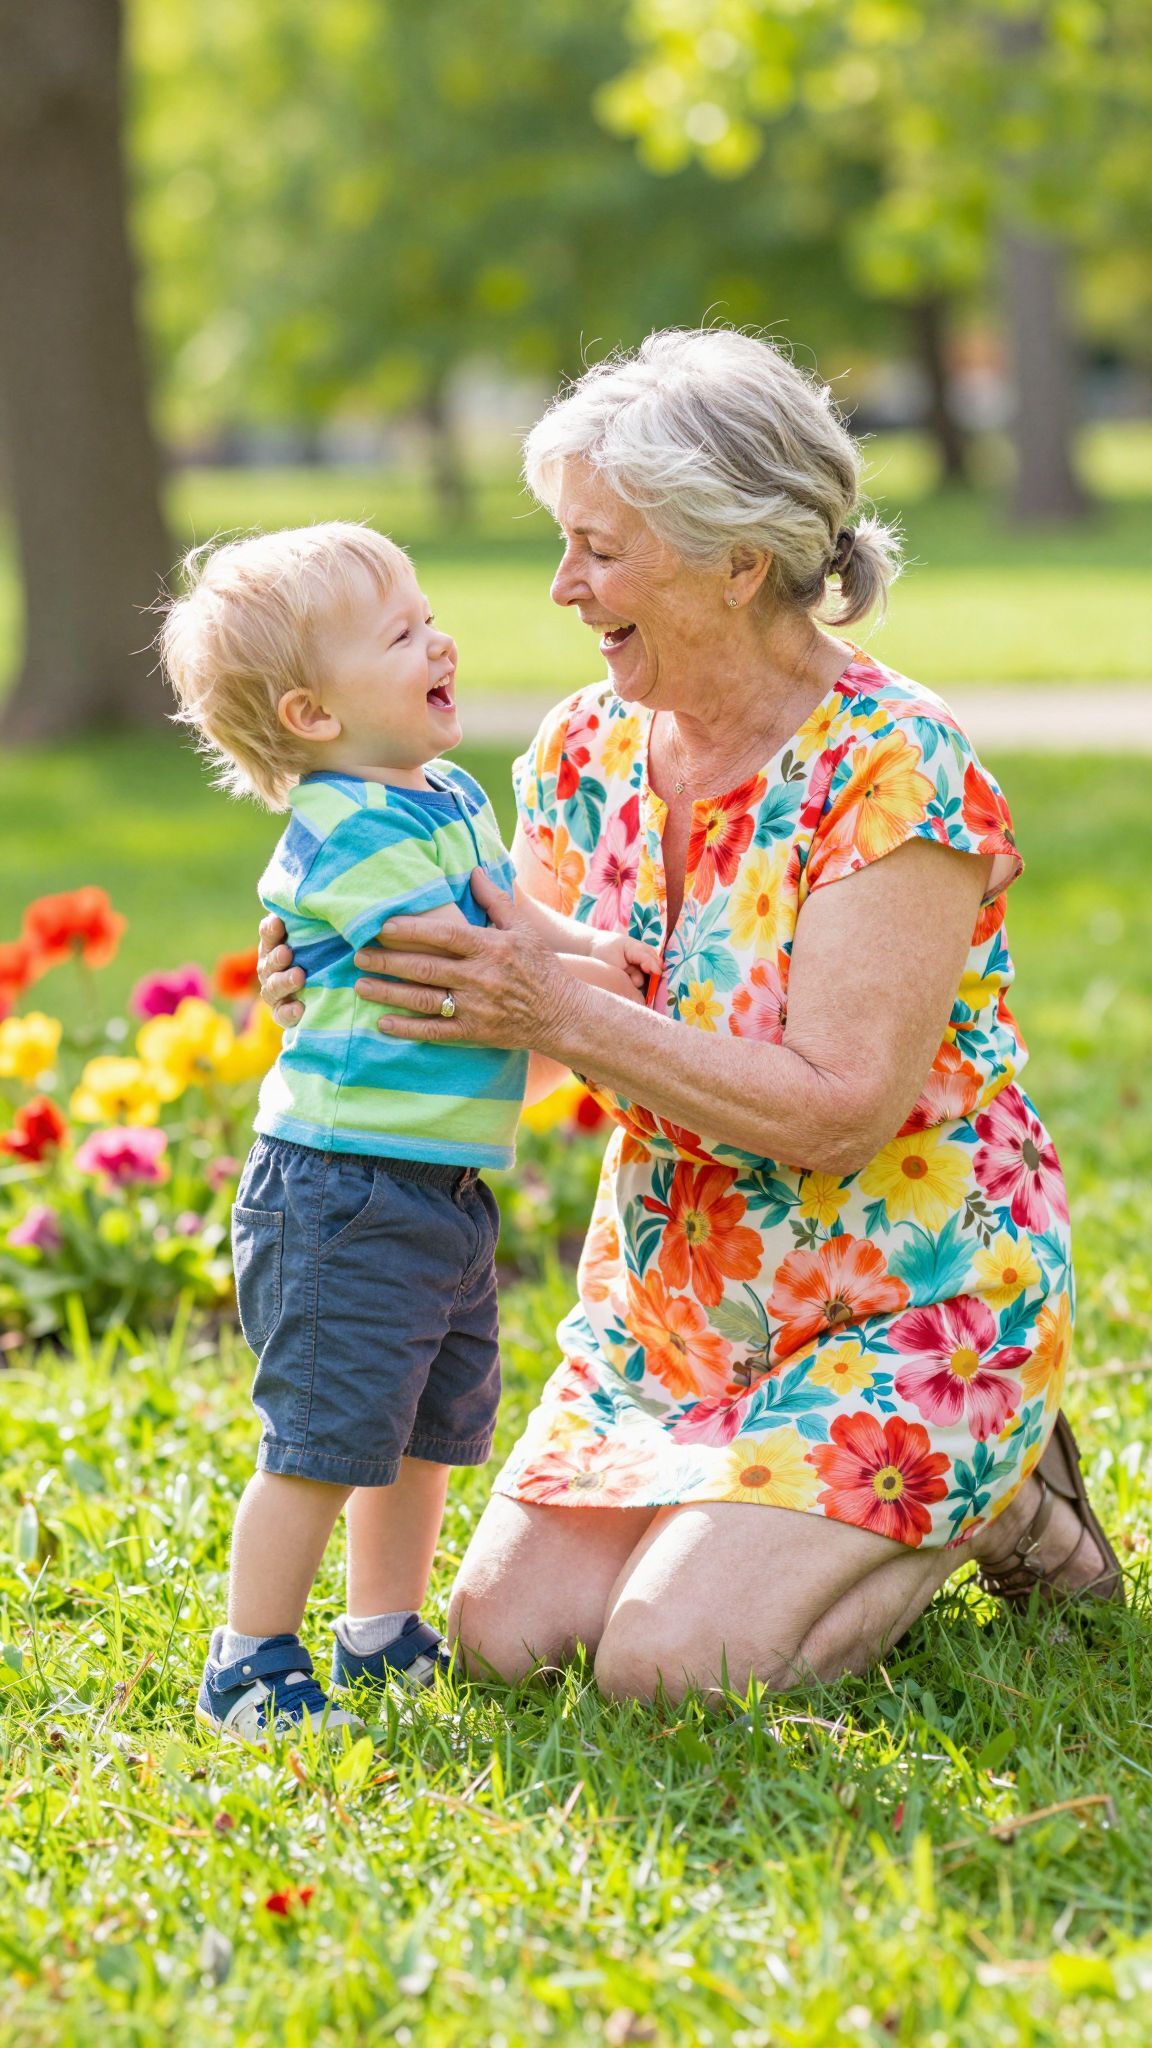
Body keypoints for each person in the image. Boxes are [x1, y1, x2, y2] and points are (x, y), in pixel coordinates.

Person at [259, 331, 1124, 1707]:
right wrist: (363, 992)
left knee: (668, 1669)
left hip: (910, 1300)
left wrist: (561, 1007)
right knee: (502, 1640)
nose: (562, 588)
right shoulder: (583, 752)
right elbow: (530, 1044)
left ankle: (1000, 1488)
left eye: (600, 548)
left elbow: (842, 1107)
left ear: (737, 558)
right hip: (675, 1314)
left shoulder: (893, 767)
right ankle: (787, 1507)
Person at [160, 521, 658, 1740]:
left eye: (426, 611)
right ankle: (252, 1658)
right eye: (399, 633)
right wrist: (595, 972)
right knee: (324, 1439)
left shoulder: (441, 794)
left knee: (426, 1432)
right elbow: (470, 949)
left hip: (439, 1187)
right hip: (341, 1188)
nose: (438, 636)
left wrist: (590, 950)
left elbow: (510, 909)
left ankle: (383, 1631)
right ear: (312, 715)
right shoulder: (342, 833)